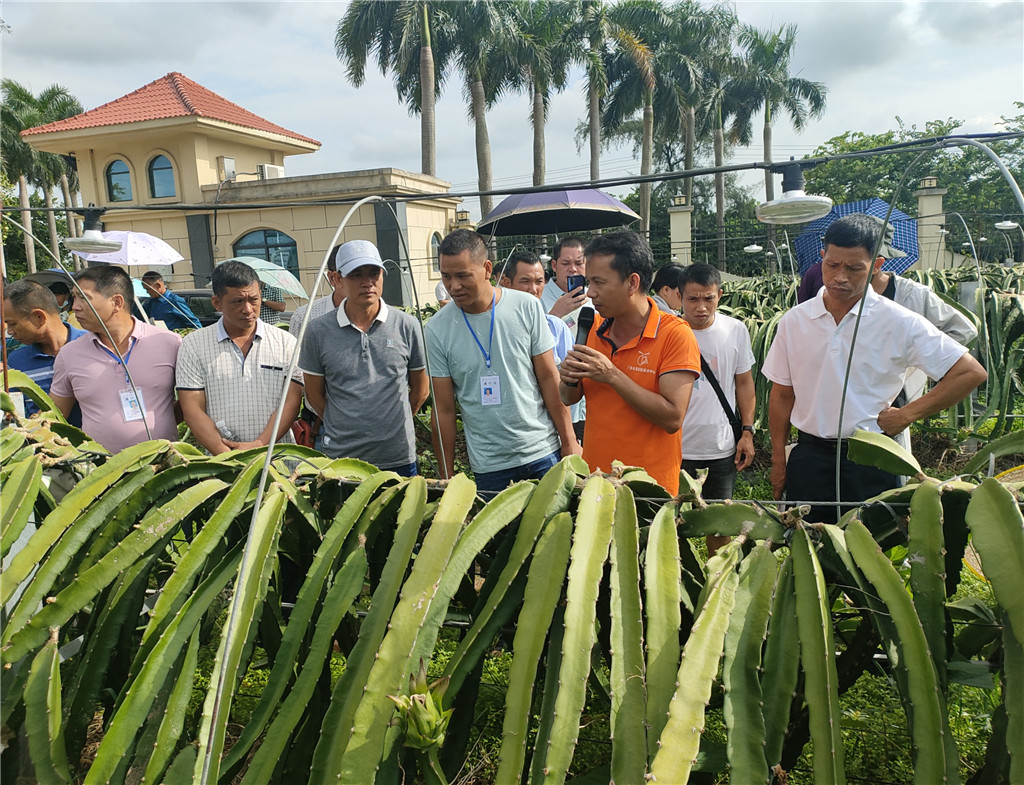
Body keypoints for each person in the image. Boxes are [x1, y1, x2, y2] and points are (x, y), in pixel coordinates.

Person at [763, 213, 987, 523]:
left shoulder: (897, 321)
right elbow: (782, 394)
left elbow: (970, 372)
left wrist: (907, 415)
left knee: (873, 547)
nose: (840, 277)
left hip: (873, 457)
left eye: (854, 268)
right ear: (822, 257)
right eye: (832, 265)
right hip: (810, 456)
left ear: (877, 265)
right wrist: (779, 459)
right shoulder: (795, 321)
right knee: (808, 545)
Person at [425, 229, 580, 494]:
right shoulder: (437, 329)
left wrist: (569, 441)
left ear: (487, 269)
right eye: (446, 276)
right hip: (490, 466)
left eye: (463, 275)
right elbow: (444, 409)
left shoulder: (526, 306)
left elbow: (548, 377)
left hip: (543, 452)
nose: (454, 286)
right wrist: (447, 476)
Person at [559, 231, 701, 496]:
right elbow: (568, 397)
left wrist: (612, 375)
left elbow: (672, 418)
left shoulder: (674, 334)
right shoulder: (592, 328)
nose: (591, 293)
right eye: (589, 282)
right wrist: (568, 376)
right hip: (596, 483)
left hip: (650, 489)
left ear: (632, 283)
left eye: (599, 282)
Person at [299, 240, 428, 474]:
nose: (367, 282)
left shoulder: (407, 326)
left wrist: (395, 424)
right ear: (337, 279)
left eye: (374, 273)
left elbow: (421, 389)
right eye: (356, 274)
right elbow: (314, 393)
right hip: (342, 459)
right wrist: (341, 424)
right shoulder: (317, 331)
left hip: (398, 456)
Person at [50, 266, 182, 452]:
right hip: (100, 466)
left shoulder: (169, 343)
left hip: (163, 462)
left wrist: (163, 422)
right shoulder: (69, 354)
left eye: (84, 298)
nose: (75, 306)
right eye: (74, 298)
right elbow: (56, 414)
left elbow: (191, 402)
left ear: (116, 302)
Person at [175, 261, 302, 454]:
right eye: (238, 301)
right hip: (222, 460)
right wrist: (227, 456)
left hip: (278, 457)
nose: (248, 309)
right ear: (217, 303)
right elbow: (193, 409)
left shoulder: (285, 342)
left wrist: (259, 444)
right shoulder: (194, 345)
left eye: (254, 299)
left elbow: (291, 402)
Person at [677, 264, 756, 550]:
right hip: (675, 446)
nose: (701, 307)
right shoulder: (668, 331)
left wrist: (747, 431)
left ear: (720, 295)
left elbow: (744, 383)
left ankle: (718, 575)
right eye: (692, 299)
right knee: (668, 522)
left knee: (721, 525)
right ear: (679, 297)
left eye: (708, 298)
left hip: (720, 446)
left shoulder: (735, 330)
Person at [3, 280, 87, 421]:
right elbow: (15, 416)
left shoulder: (93, 346)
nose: (10, 332)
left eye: (12, 324)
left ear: (39, 317)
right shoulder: (16, 361)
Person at [500, 249, 573, 363]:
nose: (533, 290)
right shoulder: (497, 328)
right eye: (525, 281)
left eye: (539, 282)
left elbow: (571, 370)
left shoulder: (557, 328)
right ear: (507, 284)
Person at [289, 245, 346, 336]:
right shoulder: (304, 317)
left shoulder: (371, 319)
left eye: (370, 274)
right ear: (333, 278)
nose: (367, 283)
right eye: (356, 275)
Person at [540, 236, 590, 330]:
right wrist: (556, 314)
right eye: (566, 263)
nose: (573, 269)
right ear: (554, 266)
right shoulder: (539, 298)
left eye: (578, 263)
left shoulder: (593, 297)